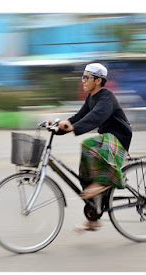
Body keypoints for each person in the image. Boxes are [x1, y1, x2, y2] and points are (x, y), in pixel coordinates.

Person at [56, 63, 132, 232]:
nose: (82, 81)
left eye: (86, 77)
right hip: (106, 139)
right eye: (82, 77)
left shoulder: (107, 97)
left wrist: (74, 127)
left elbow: (96, 117)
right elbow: (79, 116)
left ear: (98, 80)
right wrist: (59, 126)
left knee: (88, 144)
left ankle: (110, 178)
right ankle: (93, 217)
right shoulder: (91, 97)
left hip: (118, 138)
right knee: (85, 174)